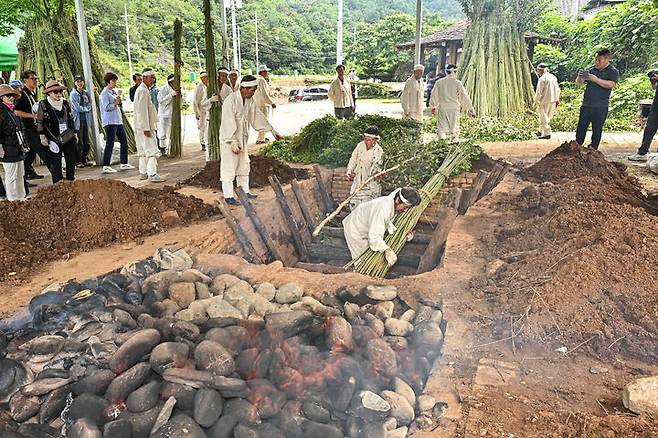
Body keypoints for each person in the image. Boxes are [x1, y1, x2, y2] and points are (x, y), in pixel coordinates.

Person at [220, 75, 283, 205]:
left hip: (242, 138)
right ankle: (228, 196)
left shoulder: (249, 100)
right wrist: (232, 141)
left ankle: (245, 191)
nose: (254, 93)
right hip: (229, 140)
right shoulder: (230, 100)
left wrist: (272, 130)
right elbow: (227, 121)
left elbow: (257, 116)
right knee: (229, 166)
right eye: (253, 90)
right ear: (245, 88)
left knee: (244, 165)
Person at [342, 187, 421, 267]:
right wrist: (387, 250)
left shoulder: (393, 205)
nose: (405, 211)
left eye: (408, 208)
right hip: (356, 228)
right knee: (363, 262)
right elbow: (374, 236)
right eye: (405, 207)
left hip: (367, 227)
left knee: (371, 257)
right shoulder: (383, 208)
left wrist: (405, 235)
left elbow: (389, 225)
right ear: (397, 200)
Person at [575, 48, 619, 150]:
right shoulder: (591, 70)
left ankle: (593, 149)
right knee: (581, 128)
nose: (597, 62)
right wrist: (580, 77)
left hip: (601, 106)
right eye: (596, 59)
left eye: (599, 60)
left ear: (607, 59)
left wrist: (596, 79)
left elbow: (611, 84)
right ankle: (577, 148)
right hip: (586, 105)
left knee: (597, 129)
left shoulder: (613, 71)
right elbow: (578, 83)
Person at [36, 80, 78, 183]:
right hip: (53, 137)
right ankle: (57, 184)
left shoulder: (65, 103)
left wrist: (75, 132)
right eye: (55, 92)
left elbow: (71, 118)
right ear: (49, 93)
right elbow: (40, 120)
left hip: (68, 135)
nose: (58, 94)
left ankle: (71, 181)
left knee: (71, 160)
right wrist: (42, 136)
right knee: (56, 162)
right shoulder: (43, 104)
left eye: (60, 91)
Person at [14, 70, 48, 180]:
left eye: (36, 78)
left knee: (31, 153)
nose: (35, 81)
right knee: (42, 151)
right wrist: (32, 116)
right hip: (29, 128)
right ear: (25, 81)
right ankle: (55, 171)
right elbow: (17, 111)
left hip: (36, 126)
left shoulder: (33, 93)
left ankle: (27, 172)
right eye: (32, 79)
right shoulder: (22, 95)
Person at [133, 69, 165, 183]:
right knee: (151, 150)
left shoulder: (143, 90)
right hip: (144, 126)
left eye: (153, 77)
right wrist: (146, 128)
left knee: (143, 150)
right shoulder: (143, 91)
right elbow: (142, 111)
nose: (153, 79)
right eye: (151, 77)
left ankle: (143, 172)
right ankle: (152, 173)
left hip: (140, 125)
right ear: (144, 78)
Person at [429, 64, 475, 142]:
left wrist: (433, 106)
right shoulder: (457, 83)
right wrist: (470, 109)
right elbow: (464, 96)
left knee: (442, 128)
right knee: (454, 129)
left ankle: (443, 144)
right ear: (455, 72)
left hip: (443, 108)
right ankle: (454, 144)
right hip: (454, 109)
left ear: (446, 72)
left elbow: (434, 95)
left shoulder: (439, 82)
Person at [99, 72, 133, 174]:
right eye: (113, 81)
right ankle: (106, 165)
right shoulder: (104, 93)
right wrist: (115, 103)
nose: (115, 82)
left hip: (118, 120)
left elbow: (118, 104)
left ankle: (124, 162)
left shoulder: (113, 92)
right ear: (108, 82)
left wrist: (118, 101)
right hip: (110, 122)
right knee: (110, 143)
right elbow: (106, 107)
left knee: (124, 141)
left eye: (115, 80)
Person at [346, 126, 384, 210]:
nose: (367, 142)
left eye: (370, 140)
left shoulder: (378, 151)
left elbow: (376, 170)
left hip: (369, 185)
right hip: (358, 182)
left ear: (375, 140)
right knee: (354, 206)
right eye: (366, 139)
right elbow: (353, 158)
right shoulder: (360, 145)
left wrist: (376, 174)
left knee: (366, 209)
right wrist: (350, 170)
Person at [0, 84, 27, 200]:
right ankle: (12, 200)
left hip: (17, 146)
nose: (11, 98)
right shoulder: (2, 112)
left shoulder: (11, 111)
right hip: (7, 148)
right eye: (8, 95)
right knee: (11, 176)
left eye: (12, 95)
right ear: (1, 97)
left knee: (20, 174)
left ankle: (21, 198)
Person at [627, 70, 658, 162]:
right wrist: (653, 80)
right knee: (649, 129)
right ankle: (642, 152)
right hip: (656, 106)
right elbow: (654, 87)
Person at [69, 75, 93, 166]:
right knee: (79, 141)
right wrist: (87, 108)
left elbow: (90, 103)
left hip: (86, 120)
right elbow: (77, 108)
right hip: (77, 121)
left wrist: (87, 106)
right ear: (75, 83)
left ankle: (84, 159)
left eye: (81, 81)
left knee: (86, 140)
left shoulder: (85, 93)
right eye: (77, 81)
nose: (80, 83)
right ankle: (78, 161)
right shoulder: (73, 94)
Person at [534, 63, 561, 140]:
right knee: (547, 117)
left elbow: (539, 92)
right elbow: (558, 89)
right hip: (553, 100)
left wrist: (536, 101)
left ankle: (547, 133)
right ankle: (540, 131)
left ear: (540, 70)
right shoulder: (553, 77)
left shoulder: (542, 79)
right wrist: (557, 98)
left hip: (544, 100)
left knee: (544, 117)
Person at [157, 74, 179, 156]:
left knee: (172, 132)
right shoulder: (163, 89)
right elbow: (161, 100)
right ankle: (162, 149)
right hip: (164, 114)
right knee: (162, 132)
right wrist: (171, 95)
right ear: (170, 82)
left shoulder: (177, 89)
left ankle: (172, 148)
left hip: (172, 114)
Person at [254, 65, 276, 144]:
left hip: (260, 103)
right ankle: (261, 139)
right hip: (263, 104)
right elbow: (264, 93)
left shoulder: (260, 79)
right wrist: (271, 102)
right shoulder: (261, 80)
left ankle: (261, 137)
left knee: (262, 121)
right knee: (263, 121)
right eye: (266, 71)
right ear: (262, 72)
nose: (267, 73)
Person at [193, 71, 209, 153]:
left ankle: (206, 142)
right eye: (204, 77)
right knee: (202, 127)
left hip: (207, 110)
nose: (206, 79)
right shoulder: (199, 87)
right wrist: (196, 112)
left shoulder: (208, 86)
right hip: (201, 110)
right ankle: (203, 143)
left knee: (206, 127)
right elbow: (195, 101)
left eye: (207, 77)